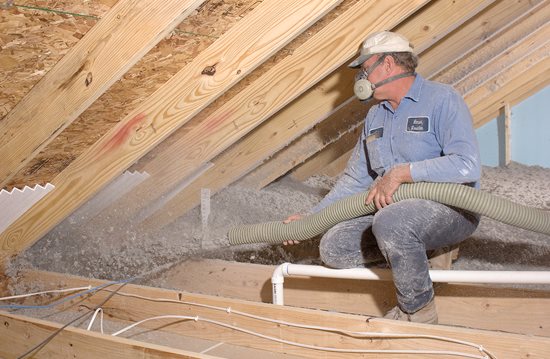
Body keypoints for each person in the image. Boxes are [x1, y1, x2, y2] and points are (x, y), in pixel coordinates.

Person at [284, 31, 481, 324]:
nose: (361, 77)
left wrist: (403, 173)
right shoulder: (376, 117)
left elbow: (467, 165)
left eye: (365, 69)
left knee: (391, 223)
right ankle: (426, 252)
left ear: (387, 64)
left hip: (451, 210)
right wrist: (311, 219)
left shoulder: (442, 99)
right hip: (396, 213)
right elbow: (355, 179)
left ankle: (418, 312)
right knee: (333, 246)